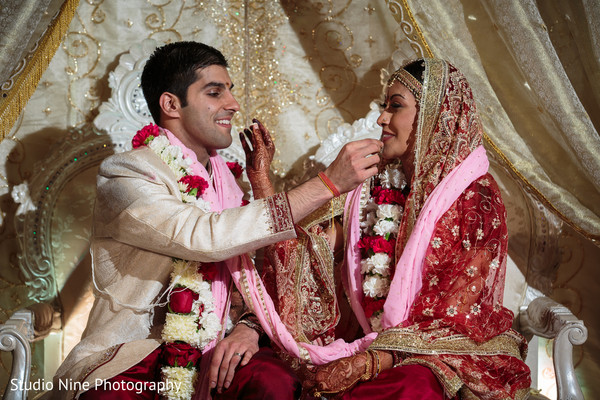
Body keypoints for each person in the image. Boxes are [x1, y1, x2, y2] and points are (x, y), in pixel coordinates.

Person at [50, 41, 383, 400]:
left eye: (230, 91)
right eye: (214, 92)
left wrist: (248, 328)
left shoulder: (229, 182)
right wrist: (327, 184)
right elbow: (203, 237)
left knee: (273, 383)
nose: (233, 104)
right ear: (171, 104)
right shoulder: (127, 175)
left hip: (223, 345)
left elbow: (265, 276)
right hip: (138, 349)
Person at [243, 58, 532, 399]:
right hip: (366, 343)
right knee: (264, 376)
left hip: (441, 356)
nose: (381, 118)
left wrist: (373, 361)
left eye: (395, 106)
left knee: (411, 387)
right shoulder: (369, 186)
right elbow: (309, 255)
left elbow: (456, 316)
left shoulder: (474, 196)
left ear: (434, 116)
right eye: (384, 107)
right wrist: (262, 184)